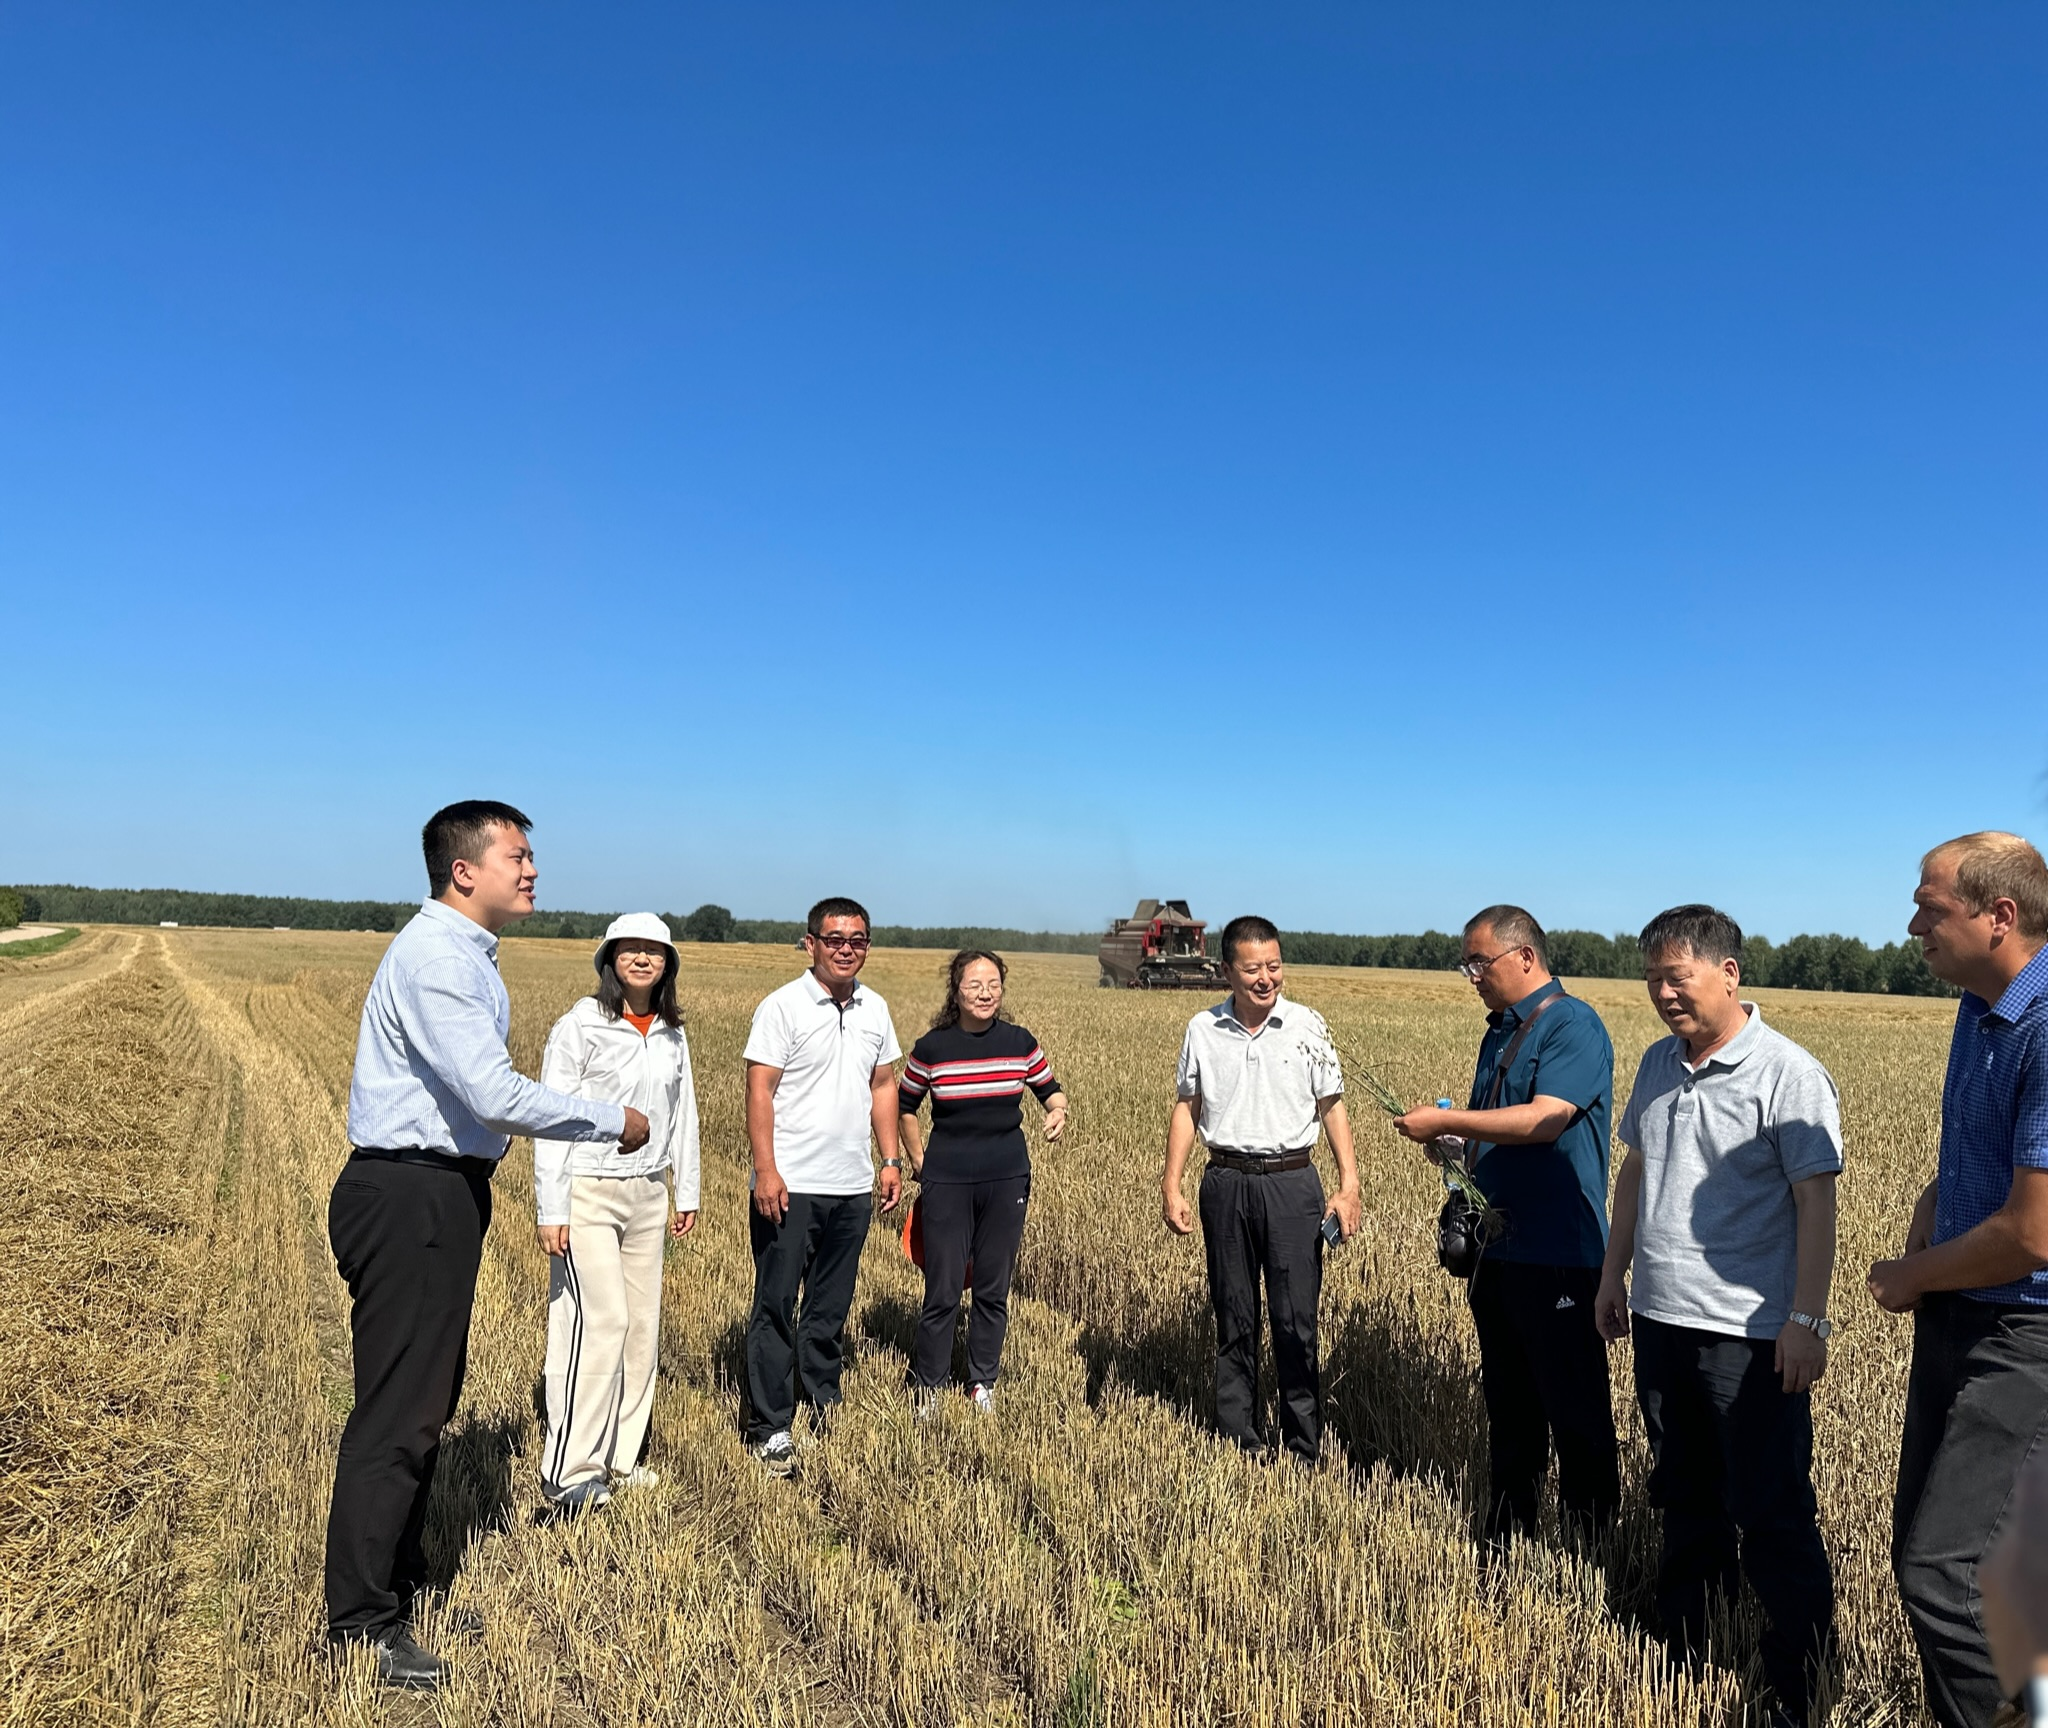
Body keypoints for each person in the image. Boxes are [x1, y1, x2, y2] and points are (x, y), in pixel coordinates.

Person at [326, 802, 649, 1689]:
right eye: (519, 855)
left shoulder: (463, 954)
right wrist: (609, 1120)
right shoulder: (439, 957)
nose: (533, 869)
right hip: (411, 1196)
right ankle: (360, 1625)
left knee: (423, 1406)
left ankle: (397, 1591)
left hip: (435, 1194)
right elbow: (491, 1093)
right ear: (464, 870)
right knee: (398, 1415)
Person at [1594, 905, 1840, 1725]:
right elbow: (1635, 1175)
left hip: (1751, 1333)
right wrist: (1614, 1274)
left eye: (1677, 977)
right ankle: (1686, 1645)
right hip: (1662, 1318)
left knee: (1771, 1509)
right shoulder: (1657, 1063)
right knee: (1683, 1492)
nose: (1663, 994)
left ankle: (1799, 1679)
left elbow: (1815, 1204)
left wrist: (1807, 1320)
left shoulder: (1788, 1073)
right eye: (1652, 980)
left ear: (1728, 973)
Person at [1868, 832, 2048, 1728]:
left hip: (2027, 1336)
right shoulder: (1978, 1008)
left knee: (1949, 1577)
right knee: (1935, 1556)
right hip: (1963, 1317)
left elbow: (2034, 1234)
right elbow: (1980, 1153)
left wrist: (1910, 1272)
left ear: (1999, 915)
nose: (1912, 928)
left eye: (1930, 910)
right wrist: (1933, 1205)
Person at [1394, 904, 1618, 1547]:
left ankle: (1591, 1550)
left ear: (1524, 956)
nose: (1473, 976)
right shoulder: (1498, 1032)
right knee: (1511, 1410)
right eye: (1466, 965)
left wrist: (1448, 1121)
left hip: (1558, 1252)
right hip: (1500, 1252)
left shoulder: (1572, 1024)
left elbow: (1546, 1118)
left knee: (1575, 1413)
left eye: (1479, 962)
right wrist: (1458, 1149)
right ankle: (1506, 1540)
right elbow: (1498, 1128)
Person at [1161, 915, 1362, 1462]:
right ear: (1227, 970)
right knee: (1234, 1315)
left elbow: (1332, 1106)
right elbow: (1187, 1106)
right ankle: (1238, 1441)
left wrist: (1348, 1183)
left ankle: (1302, 1446)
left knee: (1296, 1321)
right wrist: (1171, 1183)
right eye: (1253, 969)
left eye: (1274, 966)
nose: (1266, 978)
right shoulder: (1203, 1029)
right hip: (1225, 1181)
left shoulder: (1307, 1025)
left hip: (1292, 1183)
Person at [533, 913, 701, 1511]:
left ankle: (621, 1459)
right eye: (630, 949)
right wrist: (551, 1206)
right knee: (598, 1322)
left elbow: (683, 1114)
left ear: (668, 964)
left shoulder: (672, 1033)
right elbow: (551, 1117)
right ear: (609, 958)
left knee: (641, 1328)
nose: (642, 958)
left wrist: (686, 1190)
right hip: (589, 1191)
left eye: (654, 950)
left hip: (648, 1194)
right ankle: (570, 1471)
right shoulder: (580, 1025)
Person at [741, 897, 904, 1472]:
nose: (845, 949)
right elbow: (759, 1090)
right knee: (776, 1305)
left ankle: (821, 1399)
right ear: (810, 943)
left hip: (852, 1186)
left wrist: (889, 1159)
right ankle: (769, 1425)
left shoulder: (875, 1008)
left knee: (830, 1306)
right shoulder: (782, 1007)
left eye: (857, 940)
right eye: (834, 939)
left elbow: (883, 1086)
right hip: (791, 1184)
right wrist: (766, 1170)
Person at [897, 950, 1068, 1413]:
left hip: (1007, 1178)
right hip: (947, 1180)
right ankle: (929, 1387)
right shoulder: (932, 1048)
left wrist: (1058, 1111)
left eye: (993, 984)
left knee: (993, 1288)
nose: (985, 993)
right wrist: (917, 1159)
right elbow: (905, 1106)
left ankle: (981, 1383)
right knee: (943, 1289)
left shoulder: (1020, 1042)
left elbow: (1051, 1092)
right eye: (974, 985)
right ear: (956, 991)